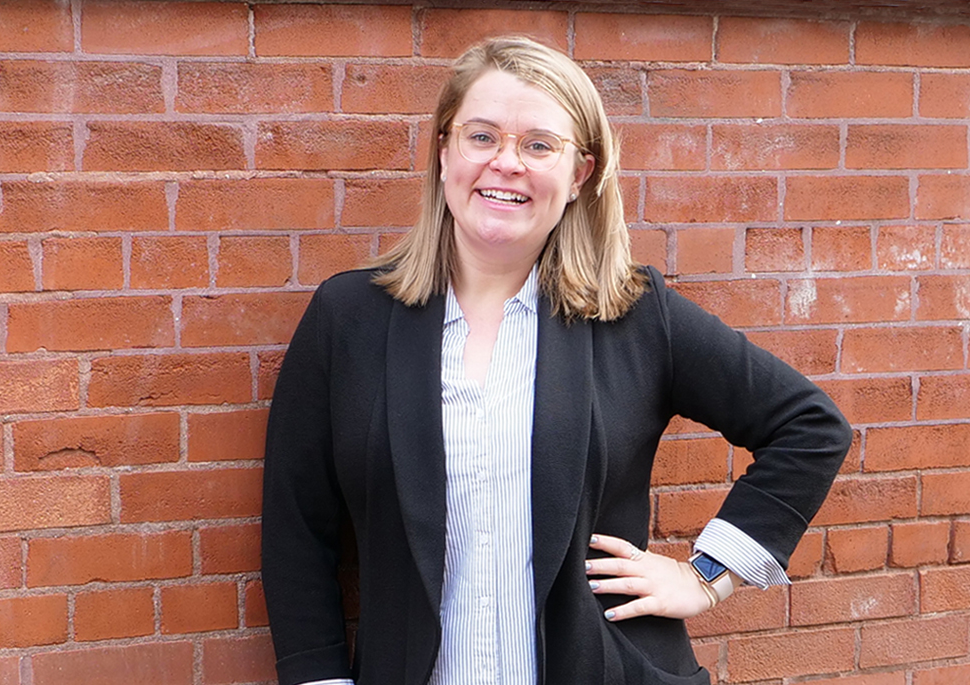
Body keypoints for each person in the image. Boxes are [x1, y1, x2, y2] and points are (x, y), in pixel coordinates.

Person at [262, 36, 852, 685]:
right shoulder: (348, 318)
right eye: (481, 136)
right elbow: (296, 528)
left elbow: (809, 426)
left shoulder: (633, 315)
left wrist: (706, 575)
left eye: (538, 145)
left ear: (579, 175)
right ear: (443, 151)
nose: (506, 163)